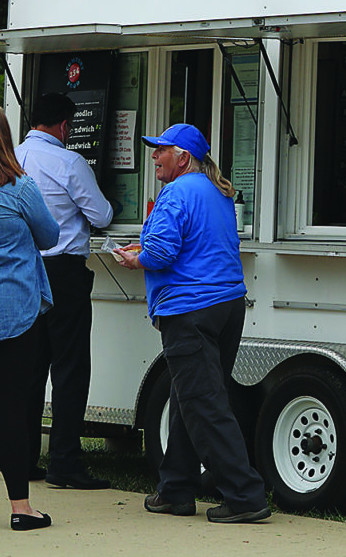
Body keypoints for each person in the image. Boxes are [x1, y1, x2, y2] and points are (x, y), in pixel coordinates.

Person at [114, 123, 270, 524]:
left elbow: (162, 253)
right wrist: (147, 248)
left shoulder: (176, 192)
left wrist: (137, 258)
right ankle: (175, 490)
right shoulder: (217, 192)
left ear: (182, 157)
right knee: (189, 398)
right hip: (227, 305)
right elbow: (194, 244)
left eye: (160, 150)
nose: (153, 157)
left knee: (203, 404)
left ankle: (245, 495)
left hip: (190, 311)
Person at [15, 93, 114, 490]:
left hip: (22, 270)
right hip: (63, 273)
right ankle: (64, 463)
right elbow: (102, 215)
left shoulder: (14, 157)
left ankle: (22, 459)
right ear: (64, 126)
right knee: (70, 368)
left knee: (31, 367)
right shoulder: (69, 162)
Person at [0, 105, 59, 531]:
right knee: (12, 410)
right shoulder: (19, 188)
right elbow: (51, 236)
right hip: (14, 315)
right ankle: (21, 508)